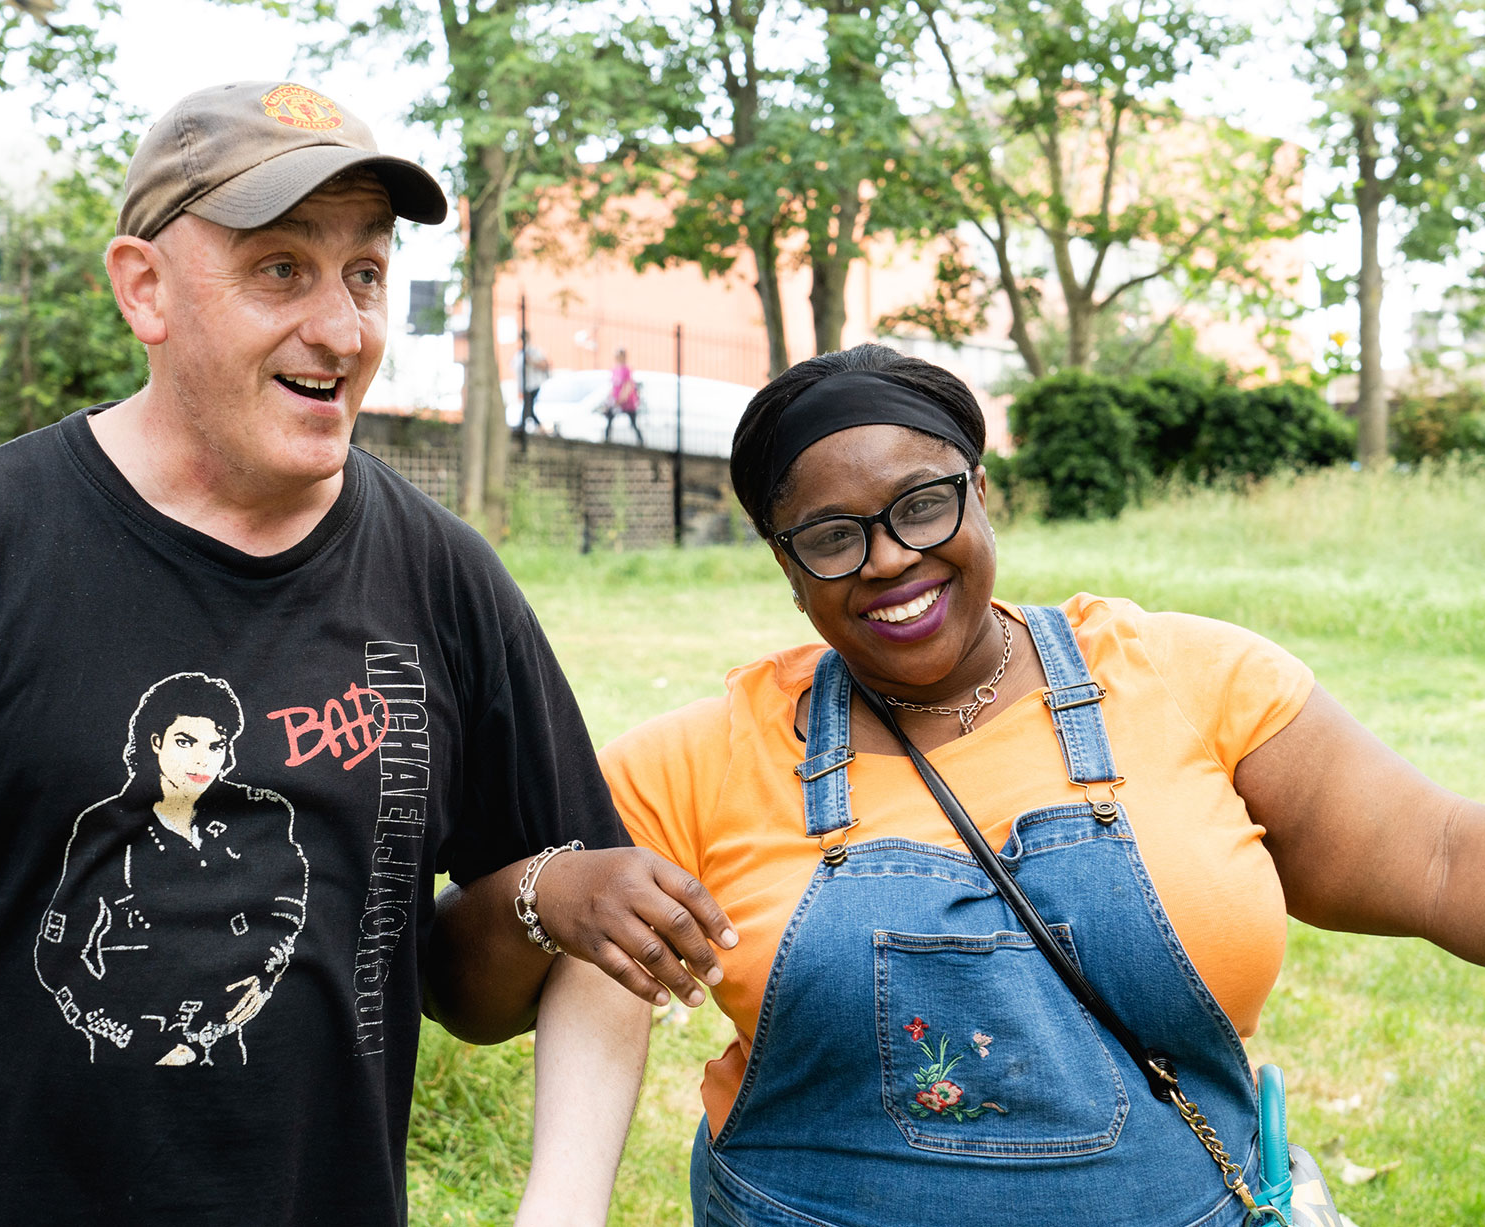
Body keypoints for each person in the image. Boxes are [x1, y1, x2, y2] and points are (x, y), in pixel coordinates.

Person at [0, 80, 733, 1227]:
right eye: (281, 268)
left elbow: (593, 922)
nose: (341, 327)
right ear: (145, 289)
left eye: (366, 274)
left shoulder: (440, 576)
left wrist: (562, 1206)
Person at [598, 342, 1485, 1227]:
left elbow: (1444, 860)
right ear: (789, 568)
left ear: (981, 493)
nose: (888, 558)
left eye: (922, 505)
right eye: (834, 537)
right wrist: (540, 889)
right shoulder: (697, 760)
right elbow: (479, 976)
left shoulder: (1195, 681)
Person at [34, 672, 308, 1068]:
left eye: (216, 745)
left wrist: (267, 970)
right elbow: (58, 954)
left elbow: (287, 902)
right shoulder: (104, 827)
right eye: (186, 742)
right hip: (131, 1053)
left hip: (227, 1045)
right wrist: (133, 1037)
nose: (202, 759)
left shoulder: (262, 814)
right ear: (155, 741)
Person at [603, 347, 644, 446]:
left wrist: (620, 399)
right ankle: (606, 440)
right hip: (616, 401)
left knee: (633, 423)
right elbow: (613, 387)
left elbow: (628, 386)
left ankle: (641, 442)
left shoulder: (627, 370)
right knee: (609, 418)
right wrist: (610, 400)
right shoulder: (614, 370)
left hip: (627, 403)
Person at [512, 334, 550, 434]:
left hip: (534, 384)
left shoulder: (534, 351)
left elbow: (545, 365)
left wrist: (531, 361)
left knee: (528, 405)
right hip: (524, 385)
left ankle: (522, 426)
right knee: (529, 407)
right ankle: (539, 427)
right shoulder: (519, 354)